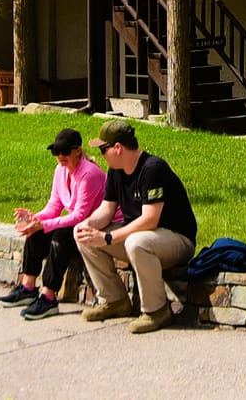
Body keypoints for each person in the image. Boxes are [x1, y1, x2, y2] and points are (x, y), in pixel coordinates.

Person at [74, 118, 197, 334]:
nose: (101, 155)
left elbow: (150, 219)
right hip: (142, 238)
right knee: (84, 235)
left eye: (104, 149)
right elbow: (106, 210)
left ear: (118, 148)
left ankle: (157, 311)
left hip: (176, 239)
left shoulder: (153, 169)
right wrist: (88, 224)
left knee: (136, 242)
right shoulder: (115, 171)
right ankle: (115, 300)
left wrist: (109, 238)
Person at [0, 127, 106, 320]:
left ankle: (48, 297)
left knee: (60, 237)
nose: (60, 156)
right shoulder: (60, 170)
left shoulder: (89, 174)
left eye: (65, 151)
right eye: (56, 151)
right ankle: (28, 287)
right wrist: (35, 219)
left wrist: (45, 224)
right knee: (36, 232)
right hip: (78, 226)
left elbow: (80, 215)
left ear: (78, 151)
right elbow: (54, 206)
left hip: (95, 228)